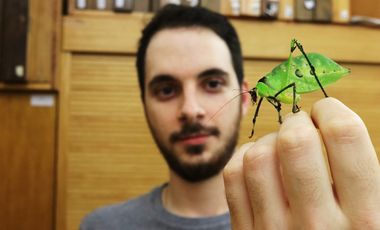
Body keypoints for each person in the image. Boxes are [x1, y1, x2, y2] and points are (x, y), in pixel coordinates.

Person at [80, 4, 380, 230]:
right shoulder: (100, 225)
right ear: (143, 103)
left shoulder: (316, 217)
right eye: (166, 89)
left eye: (212, 83)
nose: (191, 109)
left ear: (245, 97)